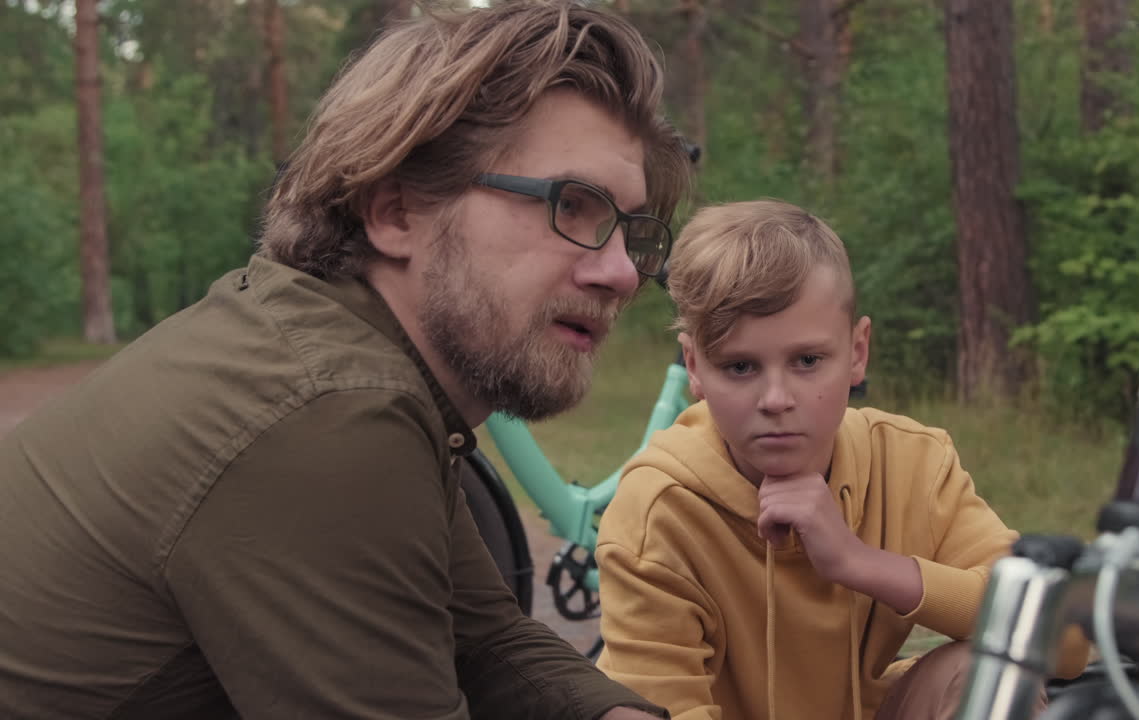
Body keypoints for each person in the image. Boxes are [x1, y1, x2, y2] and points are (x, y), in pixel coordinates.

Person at [0, 2, 693, 718]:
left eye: (632, 229)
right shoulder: (328, 415)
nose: (620, 274)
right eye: (572, 205)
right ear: (396, 212)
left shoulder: (335, 355)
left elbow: (484, 639)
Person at [594, 200, 1089, 720]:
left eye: (808, 361)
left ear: (857, 352)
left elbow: (1067, 641)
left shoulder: (913, 462)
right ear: (694, 366)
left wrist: (858, 563)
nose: (776, 399)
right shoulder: (658, 513)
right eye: (740, 366)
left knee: (988, 676)